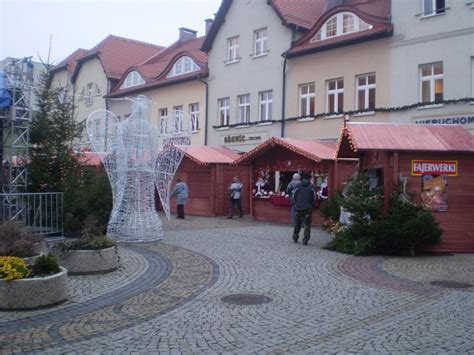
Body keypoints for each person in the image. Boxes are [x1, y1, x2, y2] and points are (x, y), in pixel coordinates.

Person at [292, 172, 317, 245]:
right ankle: (305, 239)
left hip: (299, 207)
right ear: (309, 178)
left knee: (297, 223)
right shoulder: (312, 187)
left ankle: (295, 236)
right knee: (307, 224)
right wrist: (312, 204)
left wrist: (295, 204)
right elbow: (315, 198)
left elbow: (293, 196)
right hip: (308, 208)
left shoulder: (298, 186)